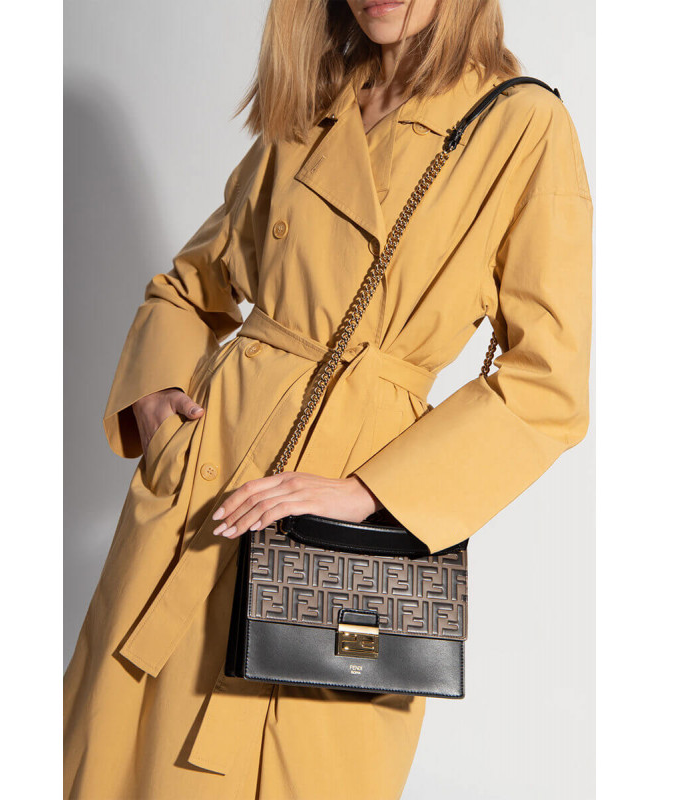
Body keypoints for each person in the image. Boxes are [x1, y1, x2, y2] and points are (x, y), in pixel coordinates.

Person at [63, 0, 592, 797]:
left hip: (334, 538)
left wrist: (372, 492)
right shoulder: (314, 104)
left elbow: (548, 382)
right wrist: (158, 401)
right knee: (114, 758)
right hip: (197, 498)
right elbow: (194, 283)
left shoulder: (521, 125)